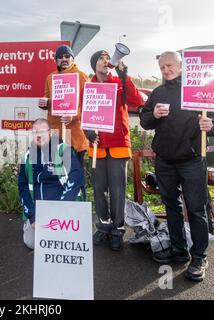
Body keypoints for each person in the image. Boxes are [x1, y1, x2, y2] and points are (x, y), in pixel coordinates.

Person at [140, 51, 214, 282]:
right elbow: (144, 119)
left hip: (191, 159)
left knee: (196, 209)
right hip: (165, 160)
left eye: (169, 66)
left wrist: (213, 125)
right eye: (162, 68)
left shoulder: (199, 88)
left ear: (181, 65)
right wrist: (154, 114)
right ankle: (179, 250)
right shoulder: (158, 92)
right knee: (171, 206)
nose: (166, 70)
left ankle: (199, 257)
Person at [84, 50, 144, 251]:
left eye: (108, 58)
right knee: (99, 191)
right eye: (101, 58)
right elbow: (83, 114)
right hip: (97, 146)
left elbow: (137, 101)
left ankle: (117, 229)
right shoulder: (88, 87)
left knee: (118, 191)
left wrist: (125, 76)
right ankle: (103, 227)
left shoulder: (119, 83)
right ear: (95, 65)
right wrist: (88, 132)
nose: (106, 61)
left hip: (118, 144)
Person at [18, 118, 85, 249]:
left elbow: (77, 177)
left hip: (63, 208)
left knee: (65, 244)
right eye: (35, 132)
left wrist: (63, 207)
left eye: (42, 131)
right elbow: (23, 187)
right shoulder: (27, 156)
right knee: (32, 244)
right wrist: (32, 216)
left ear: (49, 133)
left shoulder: (62, 151)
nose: (39, 135)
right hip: (39, 211)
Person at [38, 45, 90, 167]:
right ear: (56, 60)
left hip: (75, 135)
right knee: (59, 172)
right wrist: (45, 104)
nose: (64, 59)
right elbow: (48, 100)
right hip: (57, 133)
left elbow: (88, 107)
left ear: (73, 59)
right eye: (60, 57)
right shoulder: (50, 78)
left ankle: (78, 187)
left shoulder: (81, 76)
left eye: (67, 56)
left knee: (75, 173)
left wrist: (74, 116)